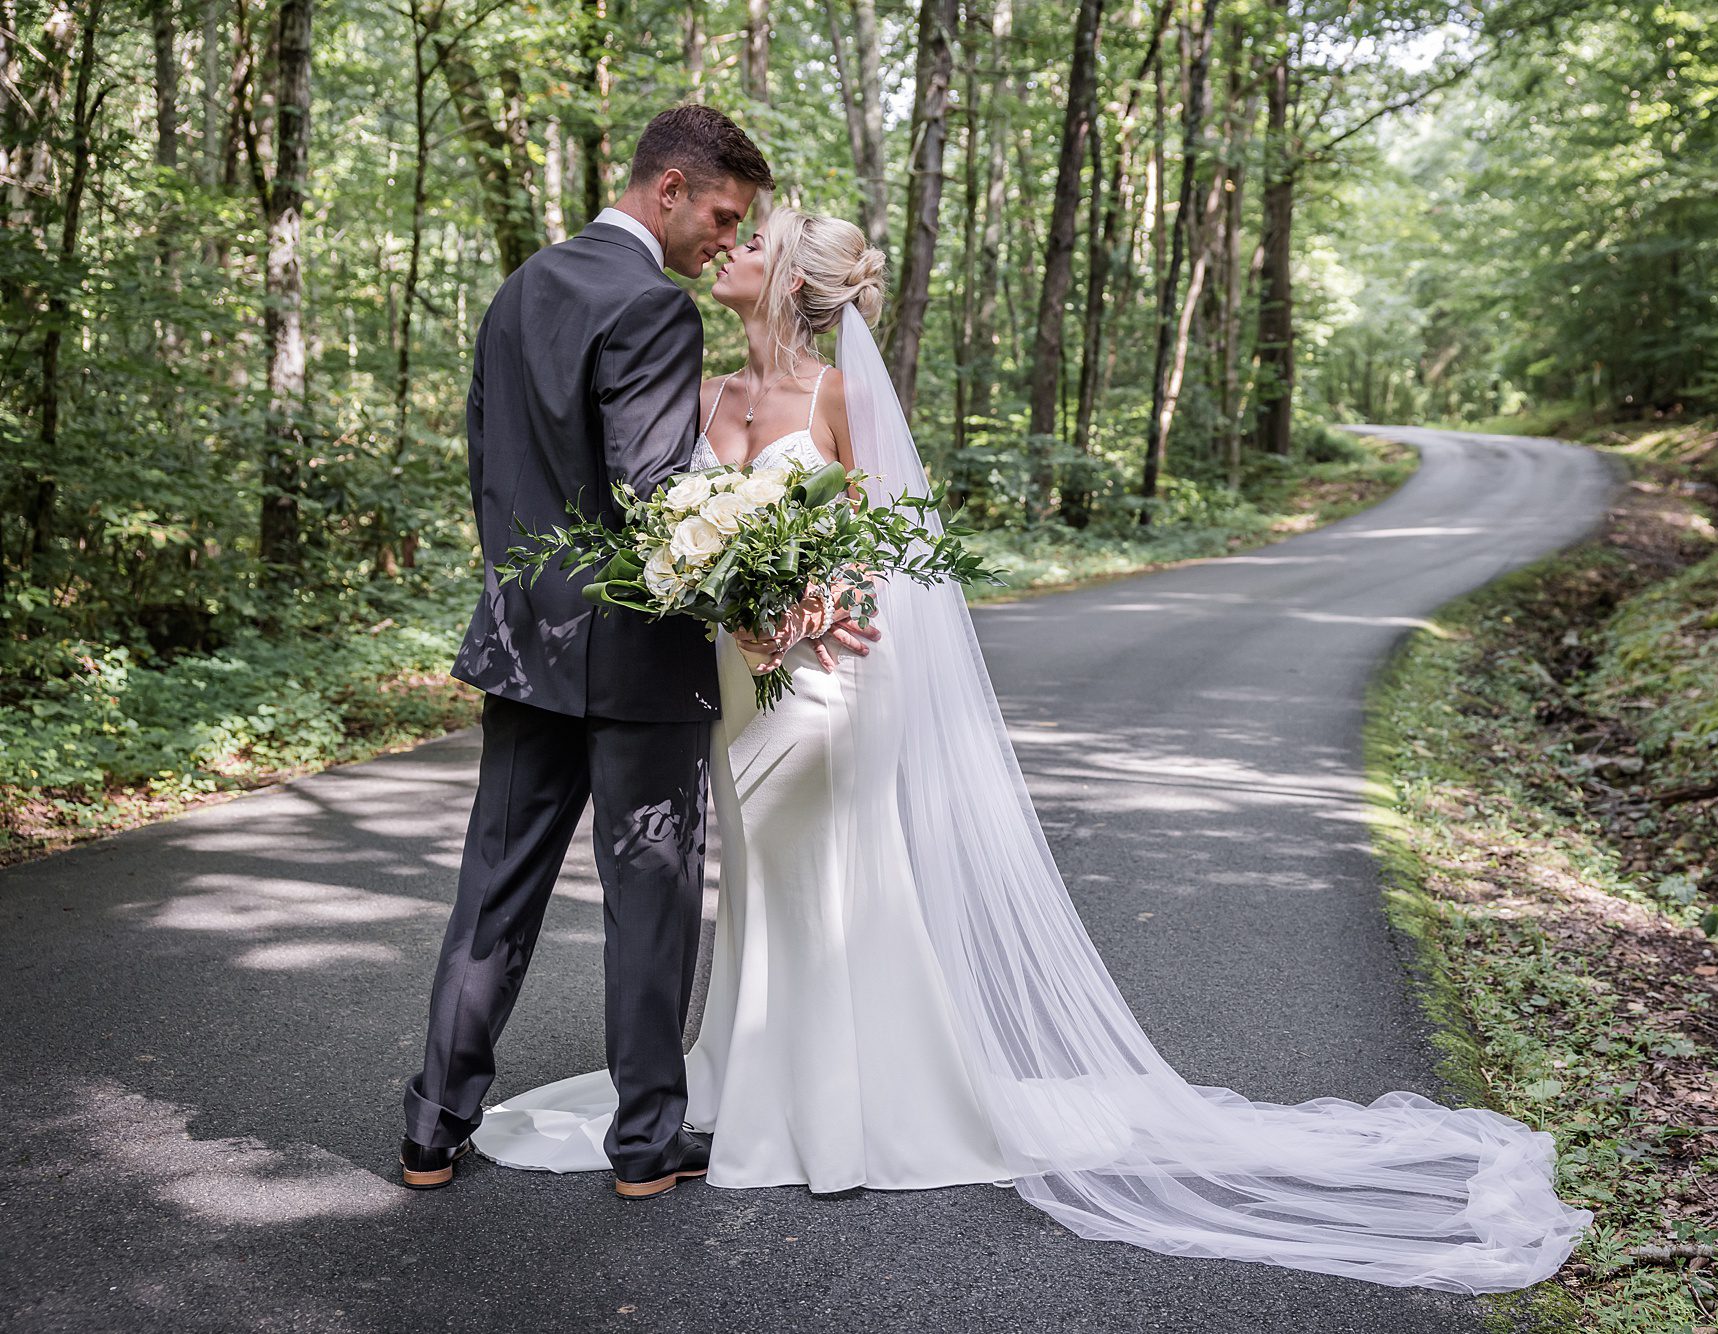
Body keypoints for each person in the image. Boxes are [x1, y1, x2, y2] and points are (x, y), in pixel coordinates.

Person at [472, 207, 1595, 1294]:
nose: (731, 247)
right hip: (731, 678)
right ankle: (750, 1080)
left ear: (783, 282)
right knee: (759, 884)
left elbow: (881, 553)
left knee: (830, 877)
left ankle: (845, 1104)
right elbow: (676, 534)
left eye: (752, 242)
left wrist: (811, 609)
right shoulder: (710, 390)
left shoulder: (841, 393)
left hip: (821, 676)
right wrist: (728, 600)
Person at [399, 108, 861, 1202]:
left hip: (523, 642)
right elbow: (663, 500)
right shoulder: (649, 305)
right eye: (718, 215)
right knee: (646, 895)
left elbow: (489, 469)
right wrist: (756, 589)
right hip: (638, 656)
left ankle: (430, 1126)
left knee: (493, 892)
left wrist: (526, 596)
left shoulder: (521, 288)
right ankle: (646, 1142)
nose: (720, 240)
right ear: (667, 189)